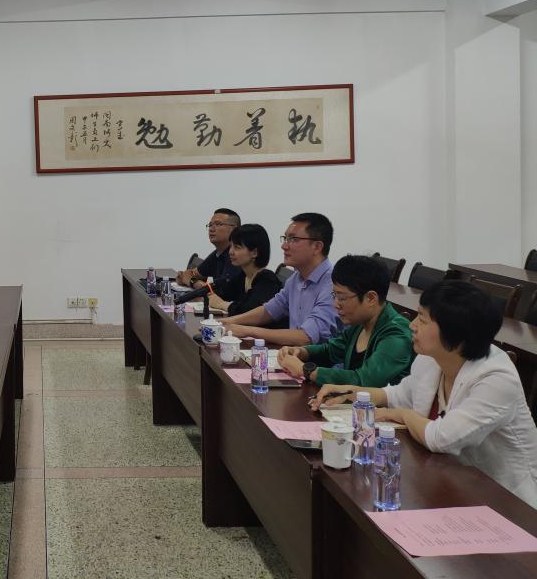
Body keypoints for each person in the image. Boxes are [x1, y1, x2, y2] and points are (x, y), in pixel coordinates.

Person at [313, 280, 537, 508]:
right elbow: (397, 395)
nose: (412, 325)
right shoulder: (431, 359)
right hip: (451, 482)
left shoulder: (496, 379)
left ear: (454, 332)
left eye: (422, 319)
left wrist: (403, 414)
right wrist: (351, 392)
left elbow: (441, 438)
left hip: (508, 502)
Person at [277, 254, 413, 386]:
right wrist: (302, 352)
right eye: (334, 295)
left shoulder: (397, 334)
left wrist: (307, 371)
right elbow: (330, 351)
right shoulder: (360, 324)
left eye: (342, 298)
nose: (335, 304)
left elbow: (364, 380)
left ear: (371, 298)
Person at [219, 212, 339, 346]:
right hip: (292, 354)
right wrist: (226, 322)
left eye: (293, 239)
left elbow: (307, 337)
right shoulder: (295, 278)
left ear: (317, 247)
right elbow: (269, 310)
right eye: (285, 238)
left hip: (317, 358)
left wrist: (248, 330)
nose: (284, 246)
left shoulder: (334, 284)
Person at [206, 224, 284, 320]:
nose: (230, 252)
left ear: (254, 253)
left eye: (237, 247)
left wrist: (222, 304)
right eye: (230, 246)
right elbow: (222, 293)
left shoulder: (267, 280)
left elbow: (250, 312)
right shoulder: (243, 276)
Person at [176, 208, 242, 290]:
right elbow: (190, 273)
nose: (211, 229)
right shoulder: (217, 254)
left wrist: (192, 281)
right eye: (210, 225)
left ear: (234, 229)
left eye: (218, 224)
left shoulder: (237, 256)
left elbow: (219, 292)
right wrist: (183, 277)